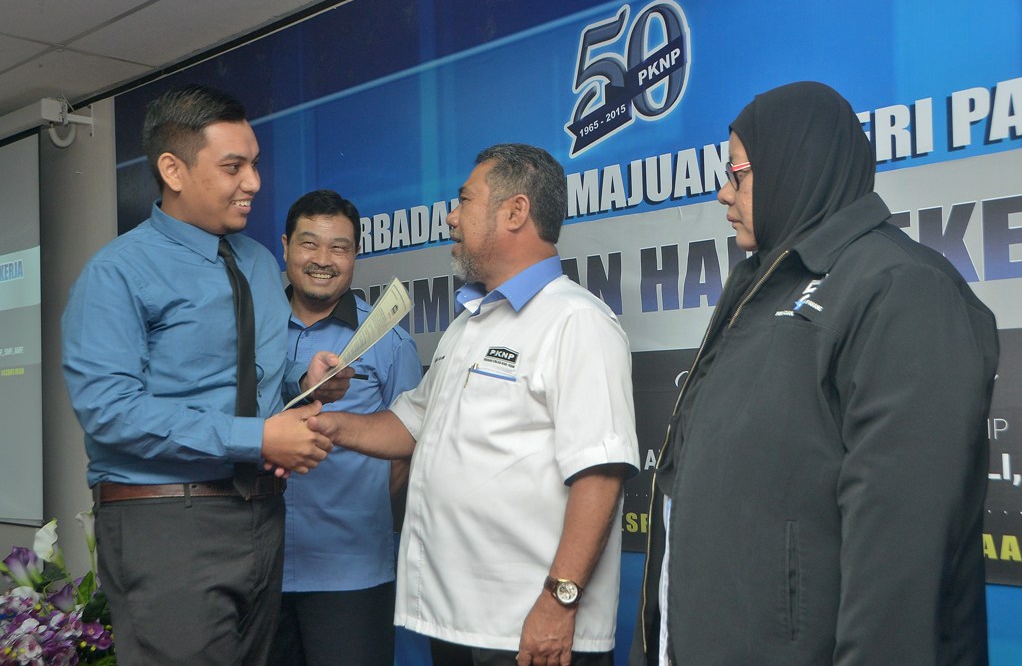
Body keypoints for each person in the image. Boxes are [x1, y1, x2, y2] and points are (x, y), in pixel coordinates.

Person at [629, 81, 999, 665]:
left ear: (797, 165)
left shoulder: (902, 288)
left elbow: (899, 562)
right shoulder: (762, 284)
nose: (724, 193)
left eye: (738, 173)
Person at [306, 143, 641, 666]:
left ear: (515, 211)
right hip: (459, 624)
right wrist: (323, 422)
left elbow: (600, 475)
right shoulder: (469, 324)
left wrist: (559, 602)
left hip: (529, 630)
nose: (451, 216)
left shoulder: (577, 321)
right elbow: (411, 425)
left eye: (465, 200)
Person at [61, 84, 349, 665]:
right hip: (166, 521)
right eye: (233, 167)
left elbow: (245, 374)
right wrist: (257, 438)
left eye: (255, 164)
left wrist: (303, 380)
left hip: (262, 513)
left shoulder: (258, 262)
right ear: (173, 170)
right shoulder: (118, 272)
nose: (254, 182)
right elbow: (109, 411)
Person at [269, 190, 422, 666]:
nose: (323, 260)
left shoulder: (389, 342)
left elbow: (406, 448)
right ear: (285, 247)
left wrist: (361, 514)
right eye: (309, 243)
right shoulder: (254, 334)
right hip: (257, 570)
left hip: (352, 574)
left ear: (356, 254)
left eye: (339, 247)